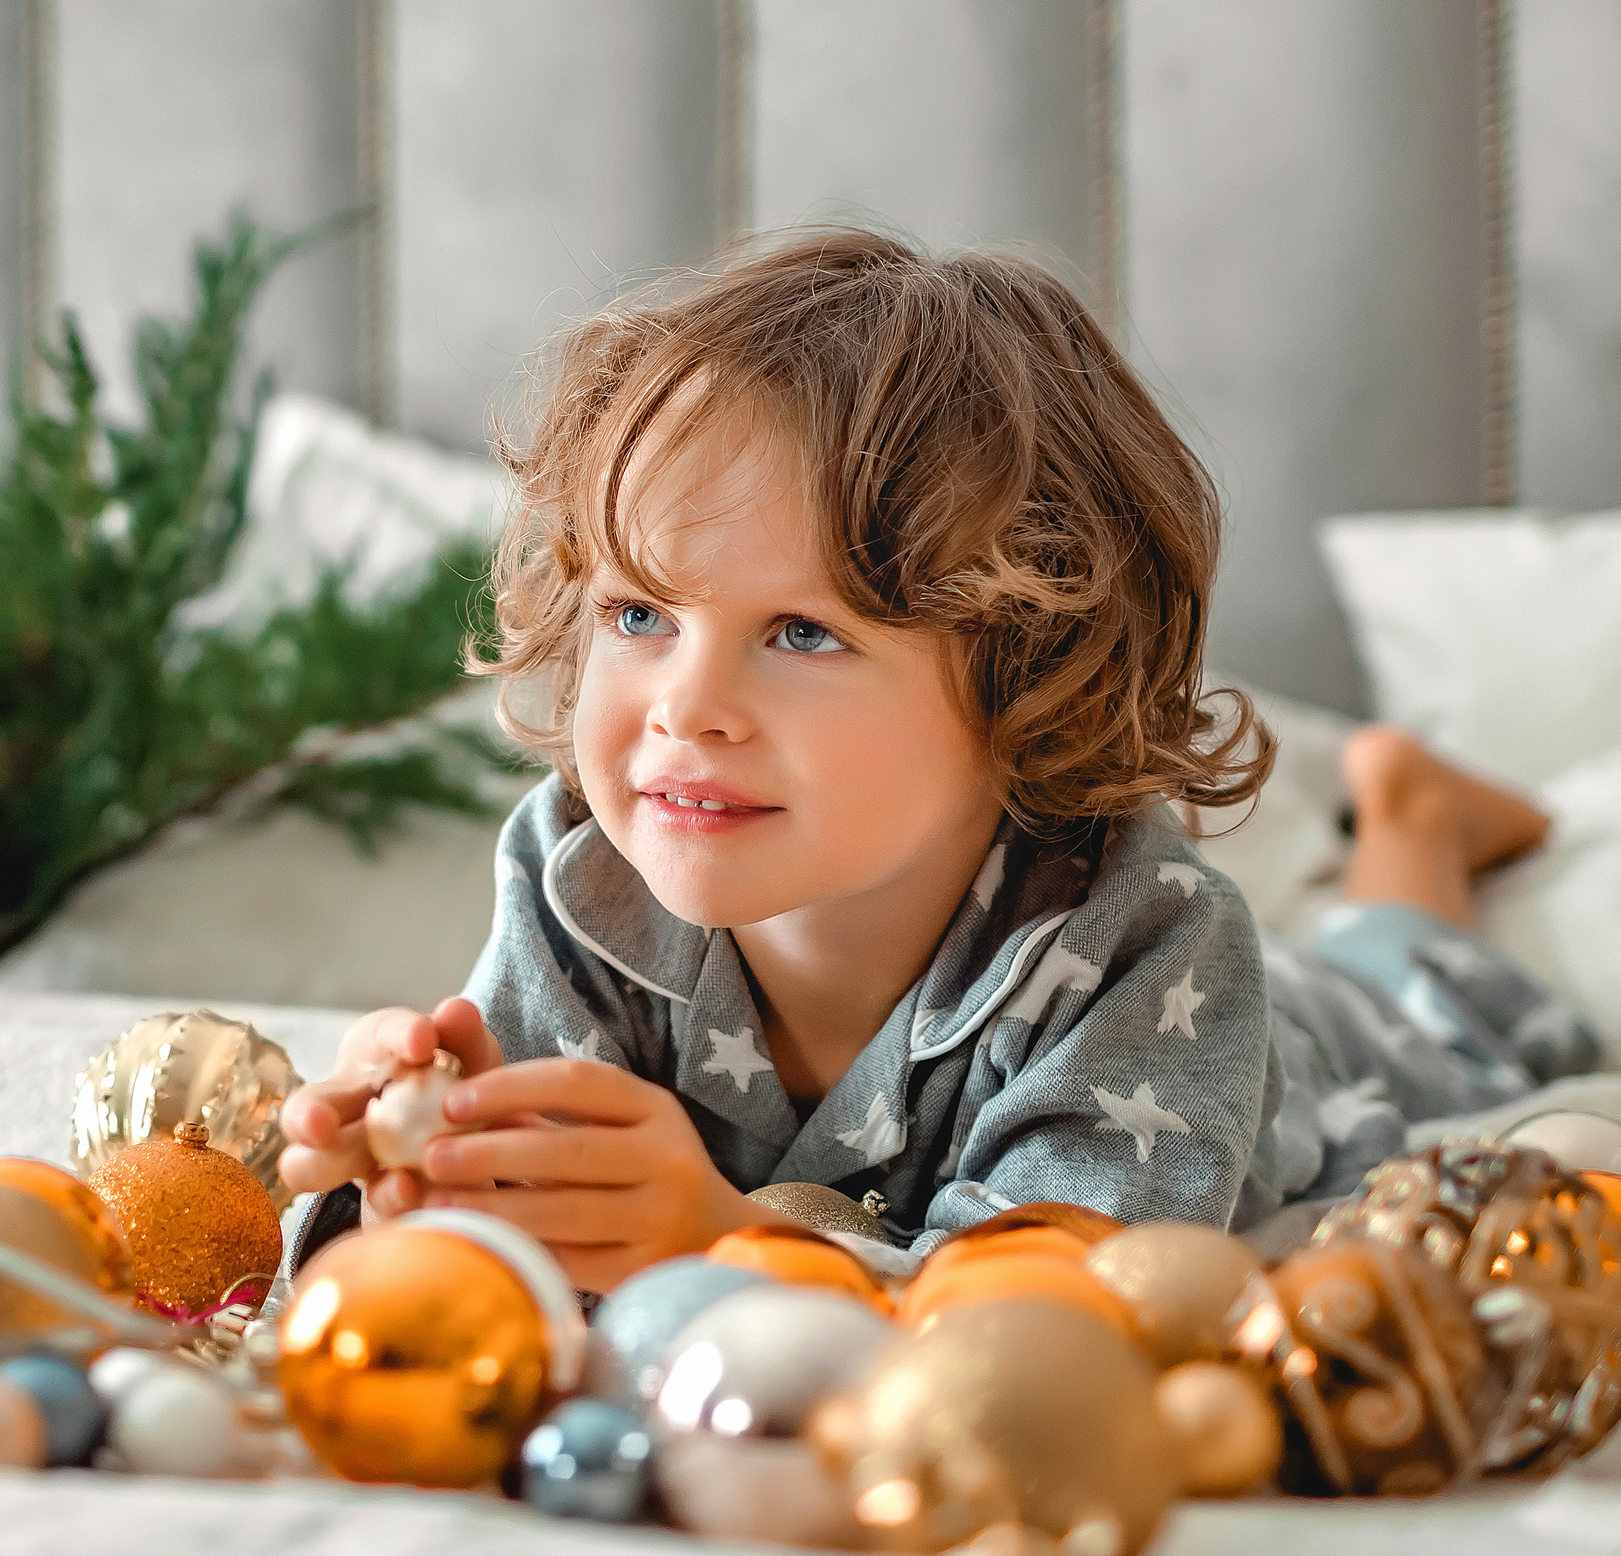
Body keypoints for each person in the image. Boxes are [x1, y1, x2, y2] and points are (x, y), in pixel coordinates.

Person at [276, 230, 1602, 1292]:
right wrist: (391, 1174)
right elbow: (489, 1245)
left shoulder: (1152, 946)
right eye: (642, 616)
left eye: (801, 632)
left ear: (1026, 682)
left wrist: (723, 1239)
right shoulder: (576, 879)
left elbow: (1060, 1313)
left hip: (1322, 1036)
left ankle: (1410, 815)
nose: (686, 707)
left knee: (1422, 982)